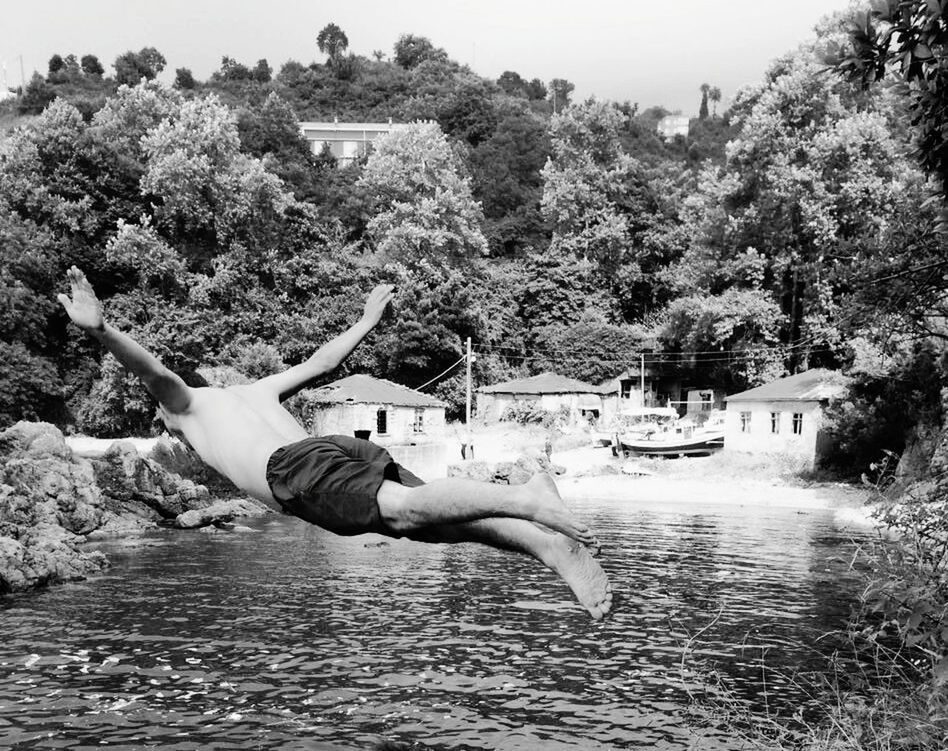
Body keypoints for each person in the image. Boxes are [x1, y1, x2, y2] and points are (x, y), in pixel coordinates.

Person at [58, 267, 612, 620]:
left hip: (293, 469)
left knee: (408, 511)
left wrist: (100, 331)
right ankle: (547, 545)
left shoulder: (189, 407)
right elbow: (324, 362)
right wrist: (367, 320)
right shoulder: (255, 389)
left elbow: (155, 374)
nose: (164, 422)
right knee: (433, 526)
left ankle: (526, 497)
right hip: (333, 448)